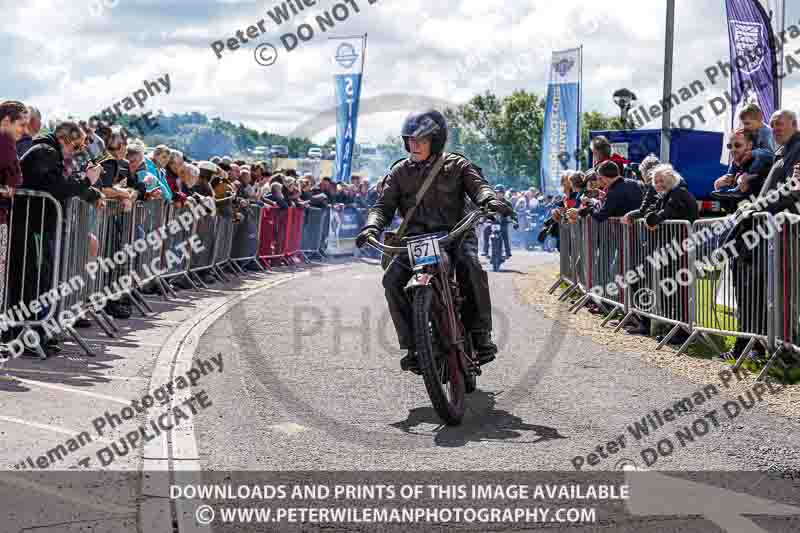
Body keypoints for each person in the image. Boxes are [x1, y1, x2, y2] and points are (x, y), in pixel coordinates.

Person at [355, 109, 513, 372]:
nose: (414, 145)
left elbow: (479, 186)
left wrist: (490, 199)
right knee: (392, 279)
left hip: (456, 234)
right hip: (417, 241)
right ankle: (413, 345)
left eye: (422, 140)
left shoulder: (457, 165)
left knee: (470, 266)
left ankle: (480, 334)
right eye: (410, 140)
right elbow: (382, 207)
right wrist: (371, 226)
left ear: (436, 141)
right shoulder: (399, 172)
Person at [712, 129, 774, 210]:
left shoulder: (760, 162)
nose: (732, 150)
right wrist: (718, 186)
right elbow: (730, 208)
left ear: (749, 145)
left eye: (737, 145)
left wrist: (749, 181)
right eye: (729, 146)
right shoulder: (734, 165)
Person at [0, 101, 27, 192]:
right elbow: (15, 179)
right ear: (6, 121)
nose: (25, 131)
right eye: (22, 125)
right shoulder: (5, 142)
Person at [481, 184, 513, 259]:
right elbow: (486, 212)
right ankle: (485, 250)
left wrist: (514, 221)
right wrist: (482, 220)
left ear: (503, 193)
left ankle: (508, 252)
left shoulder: (507, 203)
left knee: (505, 234)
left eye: (500, 193)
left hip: (503, 224)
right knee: (486, 231)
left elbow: (512, 213)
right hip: (492, 223)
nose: (498, 194)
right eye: (497, 193)